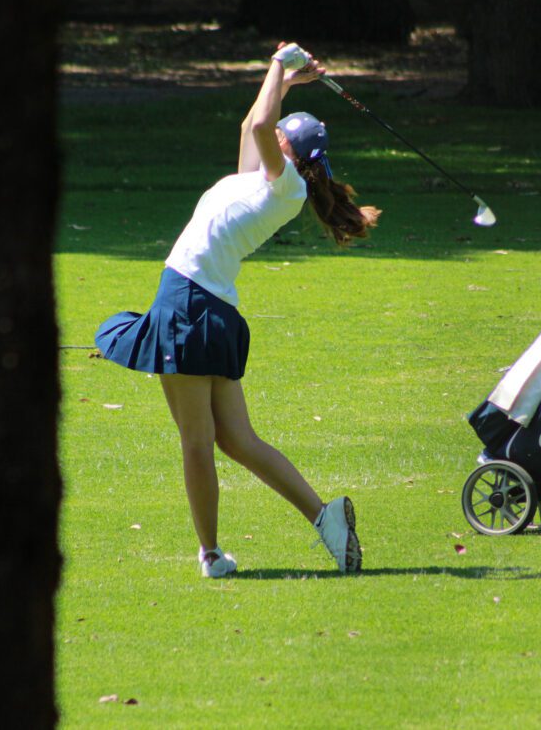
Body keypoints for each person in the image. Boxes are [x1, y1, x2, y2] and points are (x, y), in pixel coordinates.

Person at [95, 42, 380, 578]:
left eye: (280, 135)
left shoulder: (287, 185)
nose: (271, 133)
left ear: (289, 150)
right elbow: (254, 121)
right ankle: (326, 520)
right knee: (236, 440)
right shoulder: (266, 180)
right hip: (210, 306)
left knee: (197, 443)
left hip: (189, 300)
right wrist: (290, 79)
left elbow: (257, 129)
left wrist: (279, 62)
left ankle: (209, 555)